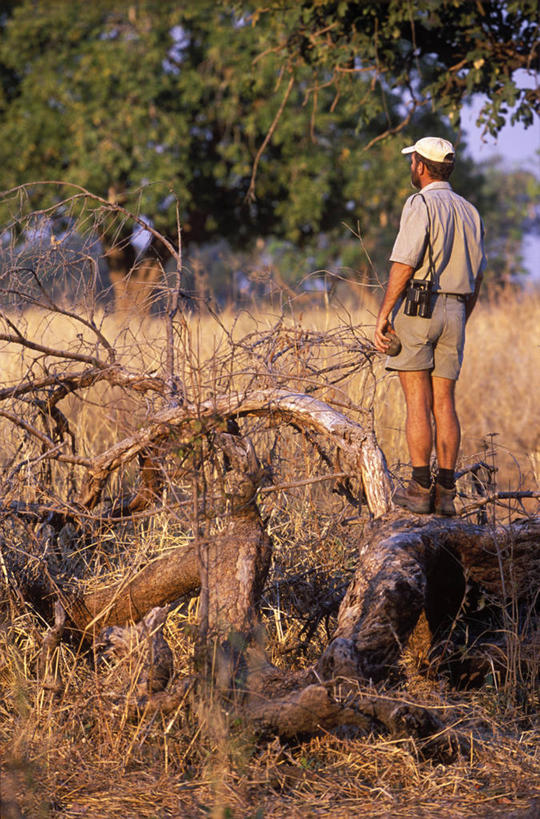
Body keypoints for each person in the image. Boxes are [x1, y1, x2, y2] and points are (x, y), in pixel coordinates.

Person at [374, 136, 487, 516]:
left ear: (421, 166)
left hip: (420, 308)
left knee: (417, 402)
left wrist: (385, 312)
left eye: (413, 162)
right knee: (445, 403)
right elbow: (478, 275)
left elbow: (404, 263)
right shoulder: (470, 211)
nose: (411, 168)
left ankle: (420, 488)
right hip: (457, 308)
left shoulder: (419, 203)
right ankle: (447, 493)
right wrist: (461, 315)